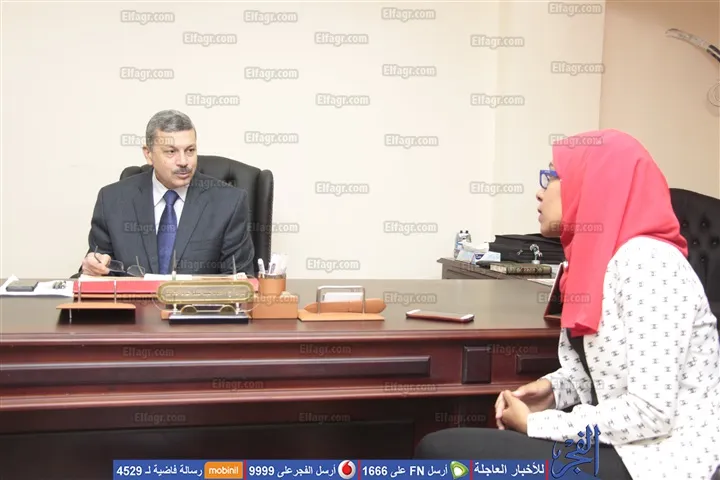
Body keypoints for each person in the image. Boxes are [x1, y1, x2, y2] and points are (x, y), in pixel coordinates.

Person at [415, 129, 720, 480]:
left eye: (552, 176)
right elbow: (600, 375)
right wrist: (552, 392)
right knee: (449, 450)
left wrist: (538, 423)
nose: (540, 191)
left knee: (442, 453)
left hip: (664, 459)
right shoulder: (591, 263)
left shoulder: (650, 263)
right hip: (624, 444)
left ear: (595, 185)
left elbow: (651, 412)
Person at [80, 110, 255, 276]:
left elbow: (240, 281)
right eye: (171, 152)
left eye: (190, 150)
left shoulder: (229, 203)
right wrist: (92, 269)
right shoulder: (112, 200)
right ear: (148, 154)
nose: (184, 162)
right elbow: (97, 271)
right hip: (133, 299)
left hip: (200, 300)